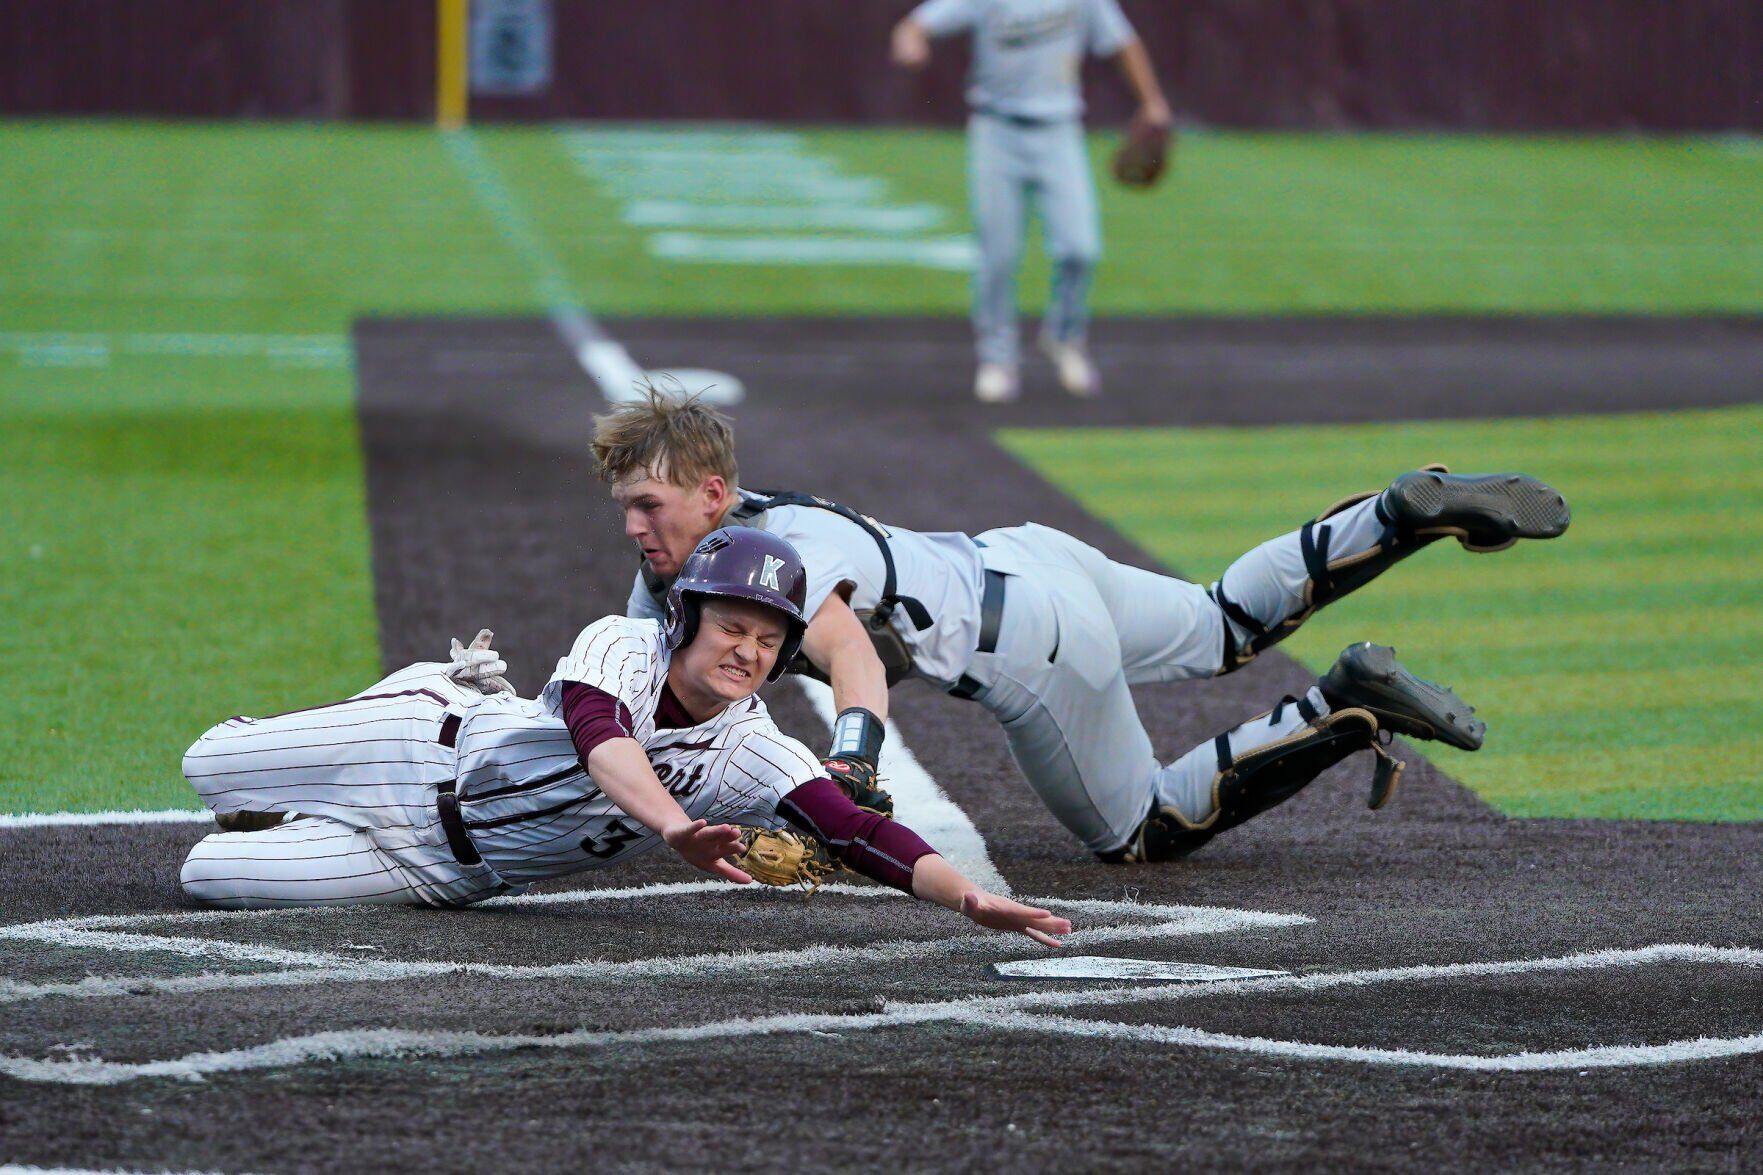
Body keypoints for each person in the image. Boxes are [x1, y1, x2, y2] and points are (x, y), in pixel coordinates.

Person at [591, 390, 1572, 862]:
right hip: (1028, 556)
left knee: (1139, 831)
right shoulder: (717, 551)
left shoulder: (777, 558)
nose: (634, 525)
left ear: (712, 492)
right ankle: (1393, 515)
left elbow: (846, 649)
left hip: (1031, 652)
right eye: (626, 506)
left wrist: (850, 761)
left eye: (648, 505)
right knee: (1221, 619)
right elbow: (646, 669)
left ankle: (1343, 704)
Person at [177, 528, 1071, 947]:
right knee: (205, 764)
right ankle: (434, 681)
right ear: (686, 618)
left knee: (205, 875)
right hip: (411, 743)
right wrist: (674, 827)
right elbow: (601, 738)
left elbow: (853, 828)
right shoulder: (623, 643)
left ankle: (298, 827)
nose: (747, 652)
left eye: (767, 640)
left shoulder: (754, 752)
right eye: (731, 627)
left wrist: (965, 898)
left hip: (441, 870)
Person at [890, 0, 1172, 403]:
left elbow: (1122, 42)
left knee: (1080, 249)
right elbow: (916, 24)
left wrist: (1153, 101)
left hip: (1059, 129)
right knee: (998, 255)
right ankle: (997, 358)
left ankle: (1063, 336)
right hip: (996, 129)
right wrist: (909, 40)